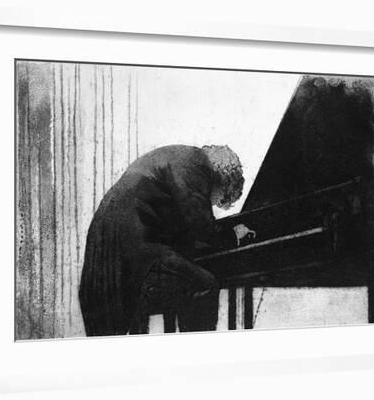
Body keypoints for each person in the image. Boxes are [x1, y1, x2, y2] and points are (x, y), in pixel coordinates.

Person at [79, 144, 253, 336]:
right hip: (132, 245)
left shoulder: (180, 159)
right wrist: (232, 235)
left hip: (110, 244)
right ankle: (198, 354)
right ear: (224, 180)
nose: (212, 203)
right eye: (217, 198)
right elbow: (201, 225)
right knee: (204, 285)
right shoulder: (196, 164)